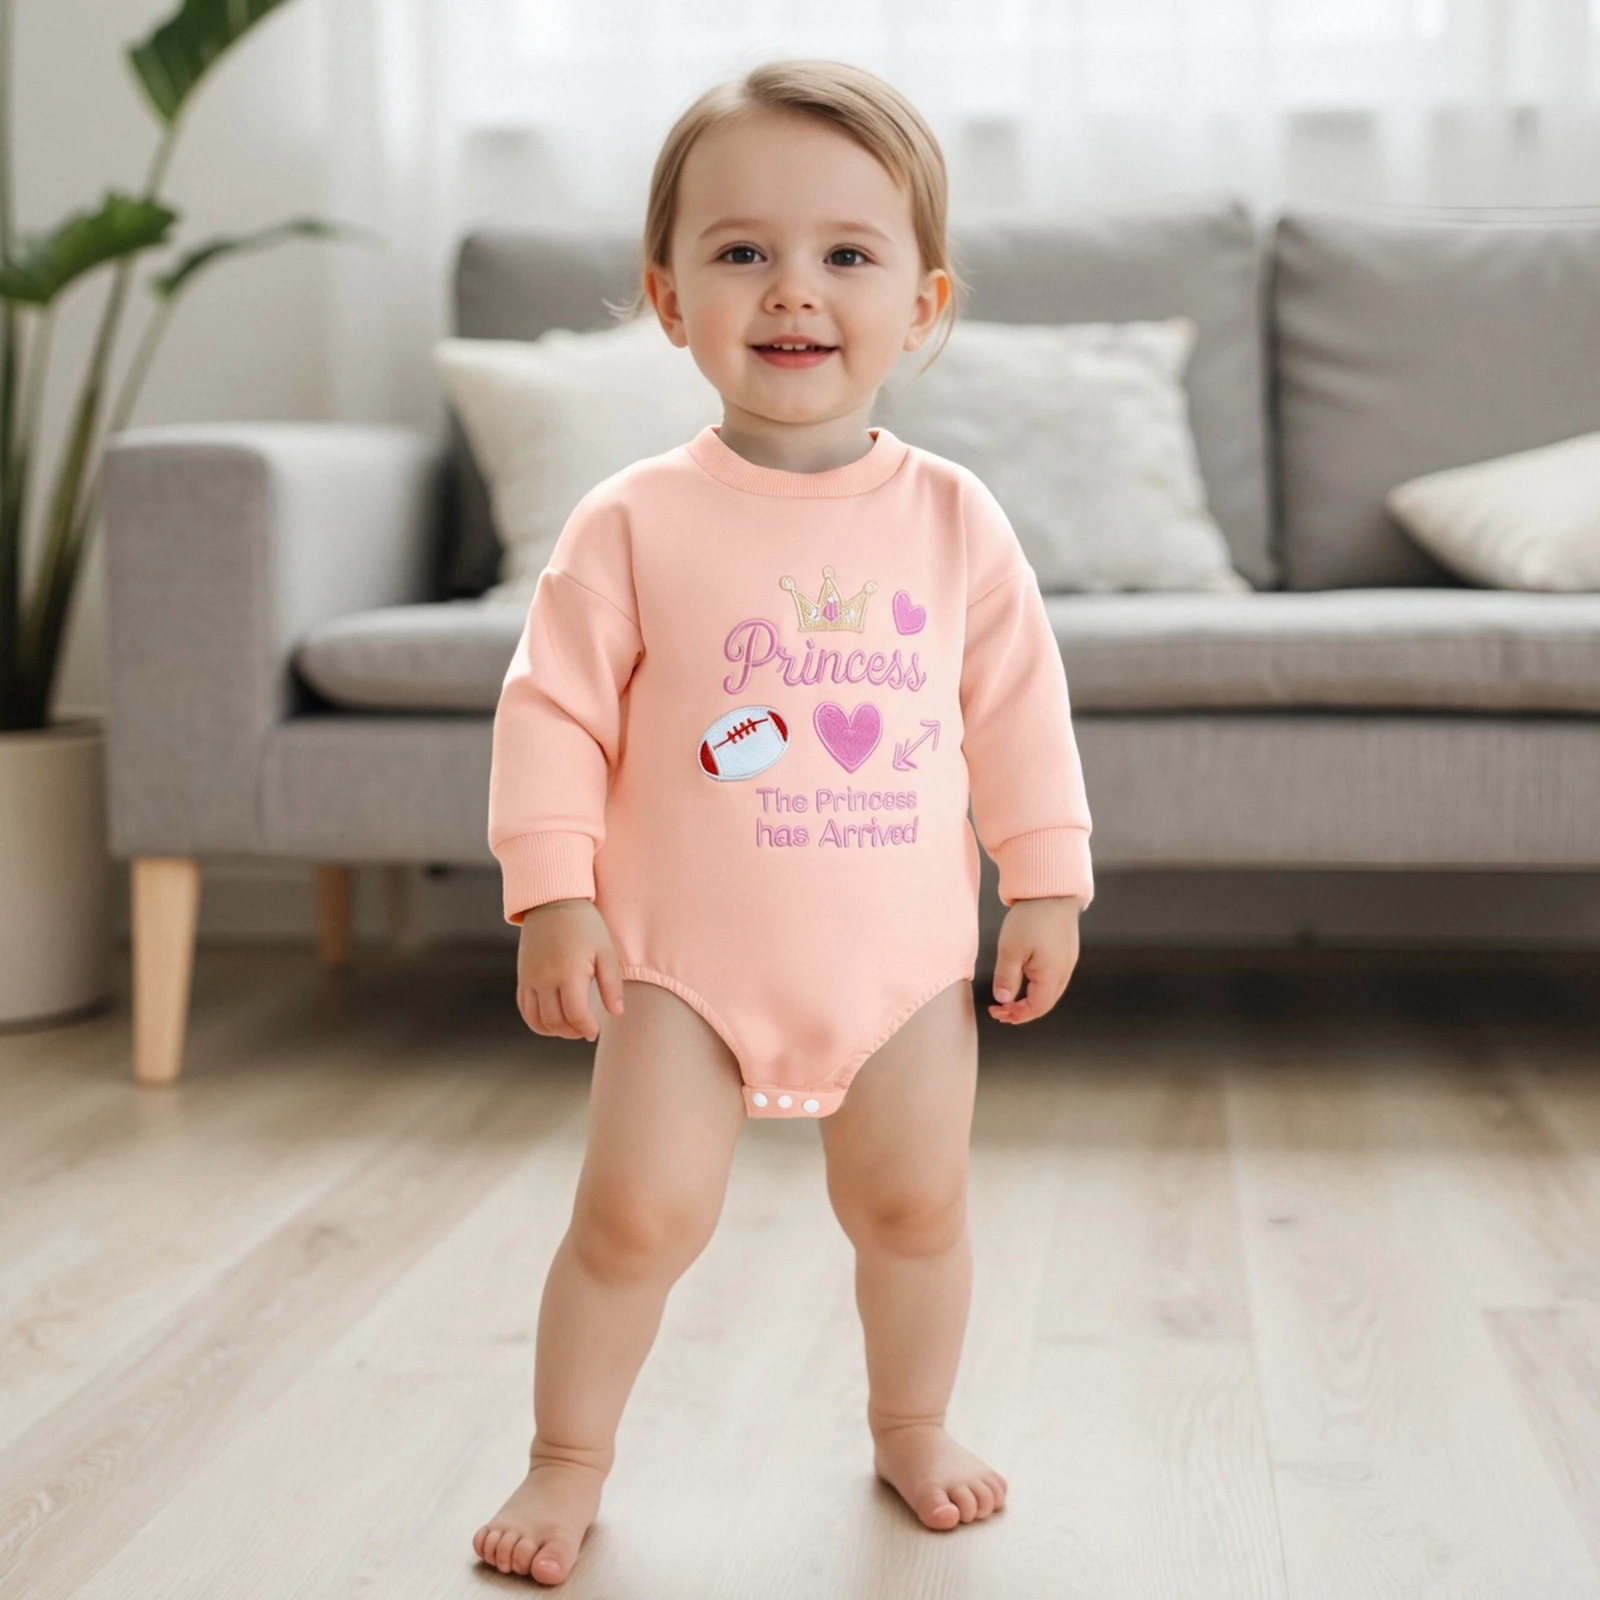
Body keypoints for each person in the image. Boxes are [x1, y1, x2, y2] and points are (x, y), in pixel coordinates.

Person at [471, 57, 1094, 1586]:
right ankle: (567, 1458)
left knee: (916, 1204)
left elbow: (1019, 710)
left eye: (847, 254)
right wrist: (554, 892)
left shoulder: (953, 518)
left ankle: (912, 1422)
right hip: (680, 965)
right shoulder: (633, 518)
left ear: (923, 304)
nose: (793, 290)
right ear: (668, 299)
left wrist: (1047, 881)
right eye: (742, 250)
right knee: (635, 1218)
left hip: (901, 965)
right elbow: (551, 714)